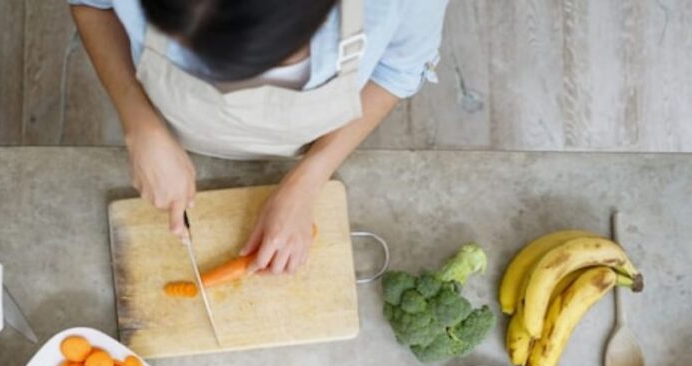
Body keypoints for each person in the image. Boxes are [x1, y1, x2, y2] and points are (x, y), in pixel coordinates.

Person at [69, 0, 449, 274]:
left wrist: (309, 179)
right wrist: (141, 126)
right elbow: (92, 6)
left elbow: (396, 72)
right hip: (164, 124)